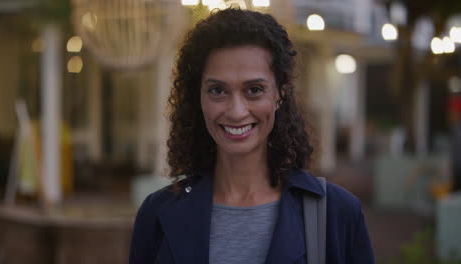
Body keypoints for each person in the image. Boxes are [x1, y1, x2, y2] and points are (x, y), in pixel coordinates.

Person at [129, 8, 374, 264]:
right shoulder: (157, 213)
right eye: (217, 90)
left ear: (279, 94)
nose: (236, 111)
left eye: (254, 90)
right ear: (198, 98)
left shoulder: (337, 212)